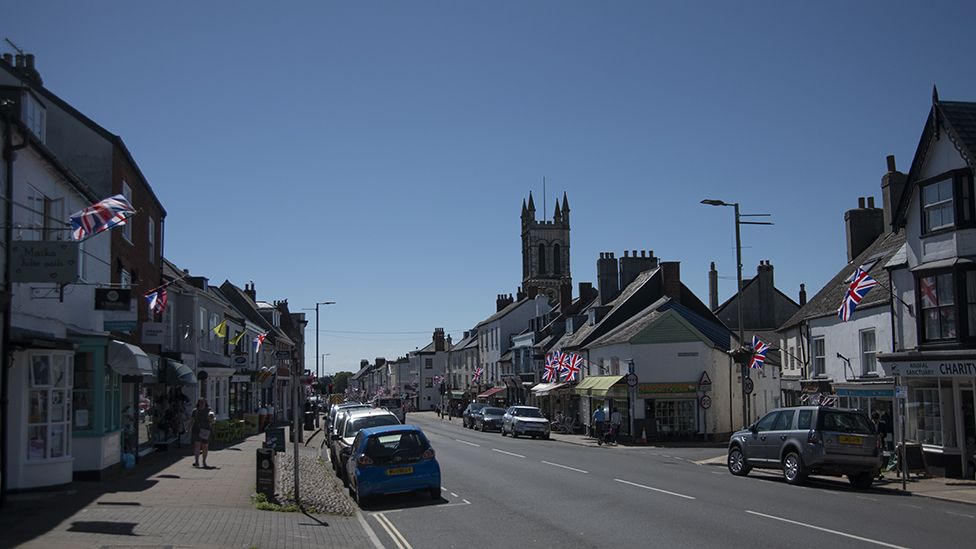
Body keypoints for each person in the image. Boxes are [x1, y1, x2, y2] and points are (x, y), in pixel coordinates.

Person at [188, 398, 214, 468]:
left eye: (203, 403)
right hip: (197, 430)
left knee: (205, 446)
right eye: (201, 403)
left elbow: (212, 420)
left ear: (206, 403)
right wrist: (188, 429)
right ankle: (196, 461)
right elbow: (191, 420)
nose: (202, 404)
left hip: (206, 430)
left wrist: (212, 419)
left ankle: (204, 462)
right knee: (197, 446)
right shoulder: (195, 411)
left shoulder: (209, 410)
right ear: (198, 403)